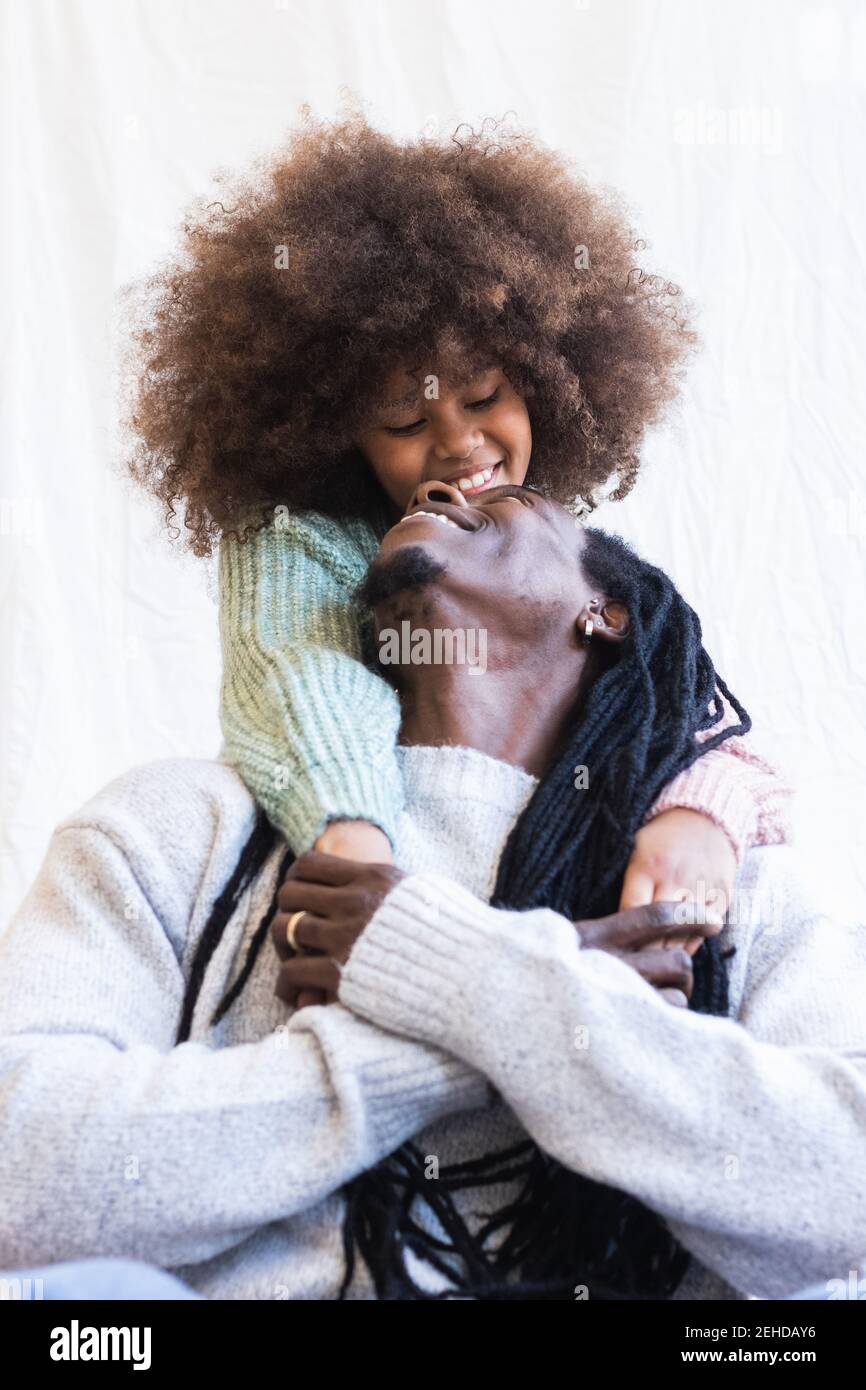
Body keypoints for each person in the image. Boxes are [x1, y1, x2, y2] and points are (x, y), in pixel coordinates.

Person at [0, 483, 862, 1300]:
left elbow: (843, 1191)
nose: (439, 493)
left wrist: (455, 970)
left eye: (513, 504)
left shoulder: (718, 886)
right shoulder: (183, 826)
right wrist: (488, 1026)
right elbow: (18, 1168)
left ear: (606, 615)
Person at [122, 111, 790, 1015]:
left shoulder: (574, 559)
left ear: (549, 377)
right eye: (403, 421)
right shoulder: (304, 542)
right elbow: (304, 678)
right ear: (333, 435)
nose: (459, 446)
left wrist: (698, 816)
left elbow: (680, 707)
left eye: (484, 395)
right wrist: (358, 854)